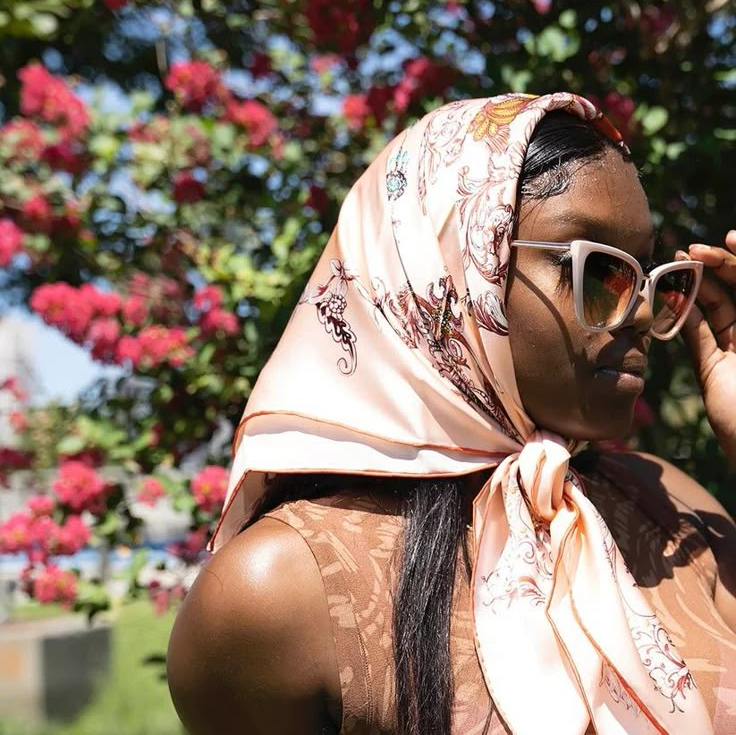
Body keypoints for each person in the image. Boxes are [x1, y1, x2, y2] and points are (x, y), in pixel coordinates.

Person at [167, 92, 736, 735]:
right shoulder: (278, 592)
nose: (637, 311)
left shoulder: (667, 508)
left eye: (652, 277)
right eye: (599, 270)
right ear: (454, 272)